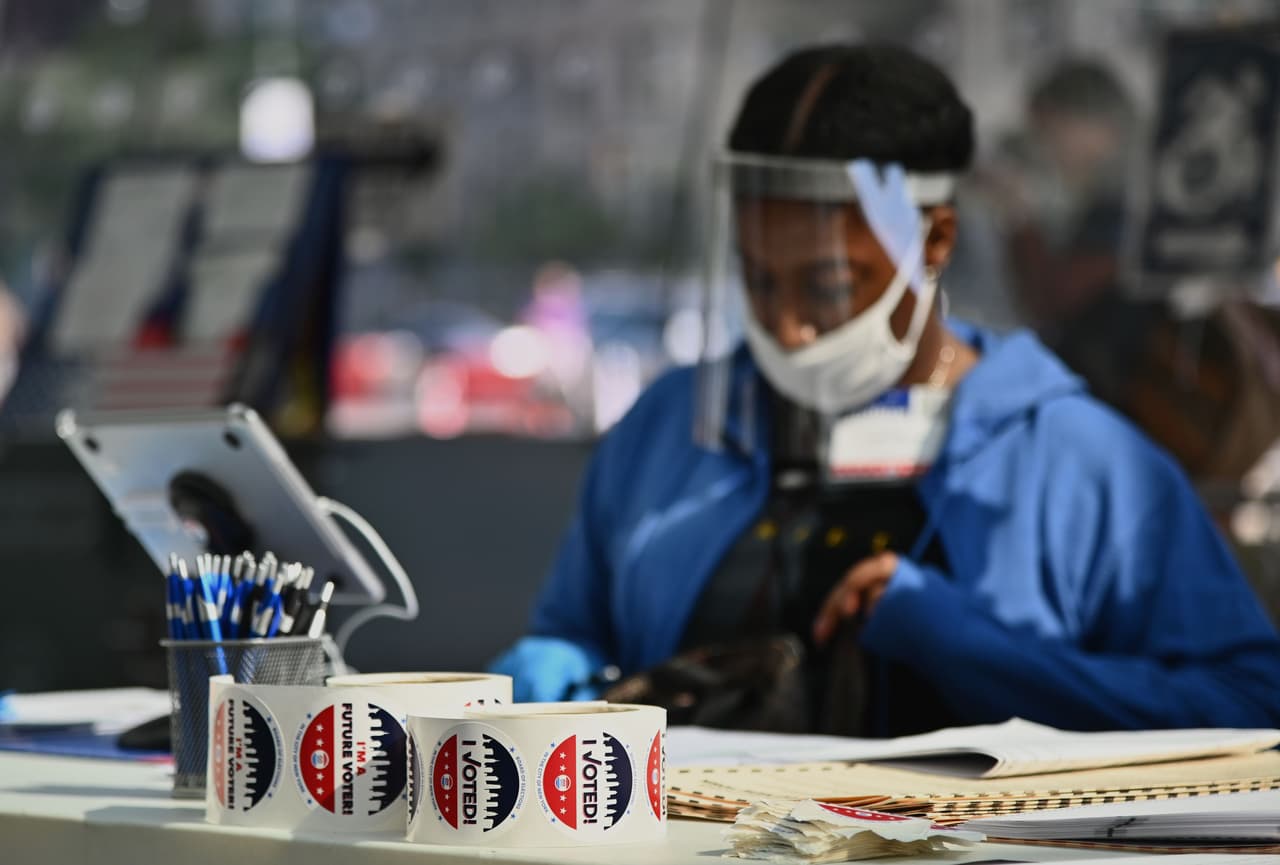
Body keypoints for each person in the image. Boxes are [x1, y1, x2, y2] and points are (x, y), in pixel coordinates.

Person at [491, 43, 1280, 733]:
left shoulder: (1079, 461)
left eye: (830, 285)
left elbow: (1250, 701)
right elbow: (580, 626)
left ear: (933, 237)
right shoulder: (670, 430)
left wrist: (980, 649)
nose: (789, 328)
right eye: (760, 280)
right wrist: (556, 665)